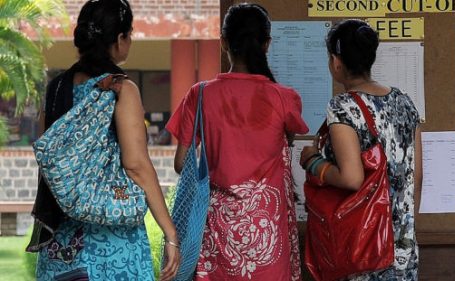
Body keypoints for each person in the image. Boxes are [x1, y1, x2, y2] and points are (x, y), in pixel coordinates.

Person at [26, 0, 180, 280]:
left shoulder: (56, 89)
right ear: (119, 39)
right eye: (129, 34)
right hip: (111, 243)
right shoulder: (122, 89)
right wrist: (170, 233)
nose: (130, 40)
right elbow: (136, 166)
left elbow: (50, 158)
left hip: (62, 244)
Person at [166, 3, 308, 280]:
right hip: (269, 235)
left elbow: (182, 163)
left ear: (223, 43)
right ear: (266, 44)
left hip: (217, 236)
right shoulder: (285, 97)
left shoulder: (200, 94)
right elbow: (288, 139)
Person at [299, 19, 422, 281]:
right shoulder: (404, 101)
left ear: (336, 61)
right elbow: (417, 177)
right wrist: (404, 229)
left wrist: (313, 162)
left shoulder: (343, 106)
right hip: (402, 247)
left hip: (361, 246)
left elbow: (351, 178)